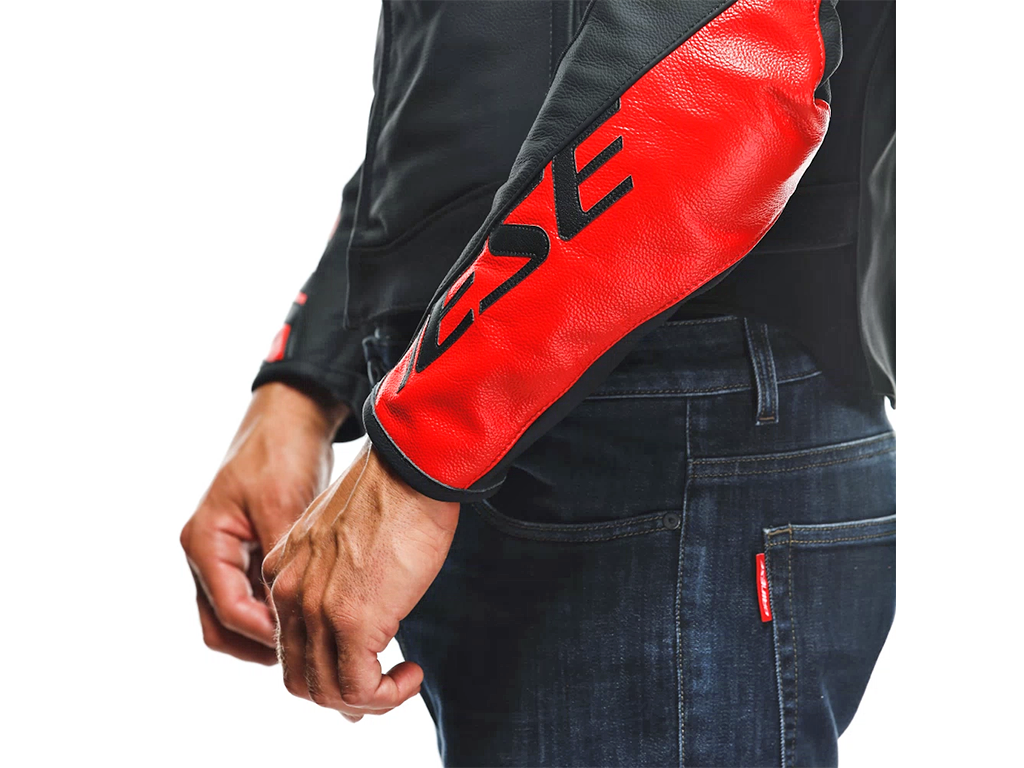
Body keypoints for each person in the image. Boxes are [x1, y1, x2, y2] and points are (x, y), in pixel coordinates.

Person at [179, 0, 895, 765]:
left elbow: (722, 45)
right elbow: (459, 86)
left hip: (668, 418)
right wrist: (306, 382)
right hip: (532, 405)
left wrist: (427, 438)